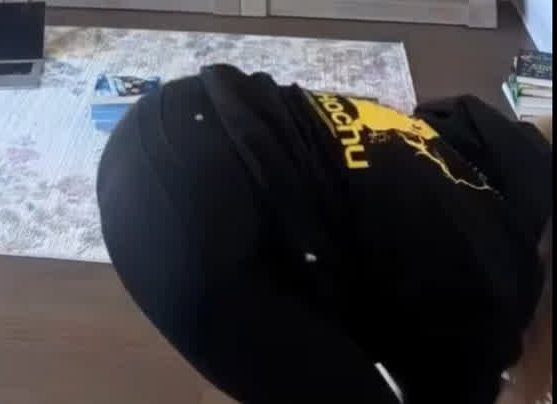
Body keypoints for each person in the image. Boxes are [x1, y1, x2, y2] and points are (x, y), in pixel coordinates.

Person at [97, 65, 552, 404]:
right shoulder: (491, 284)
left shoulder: (459, 130)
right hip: (200, 236)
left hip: (156, 127)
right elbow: (500, 382)